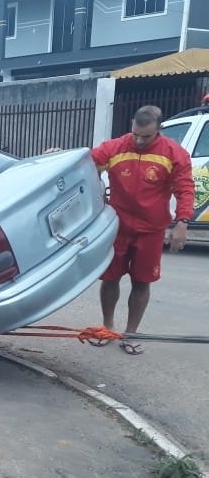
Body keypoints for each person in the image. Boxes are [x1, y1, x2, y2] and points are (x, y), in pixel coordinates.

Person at [87, 105, 194, 355]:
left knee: (142, 282)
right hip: (118, 227)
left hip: (151, 230)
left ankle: (131, 332)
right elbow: (85, 162)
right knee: (110, 278)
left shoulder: (173, 154)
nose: (138, 140)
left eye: (145, 136)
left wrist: (182, 222)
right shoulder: (116, 147)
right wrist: (59, 155)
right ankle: (107, 327)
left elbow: (185, 189)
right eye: (135, 134)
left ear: (159, 130)